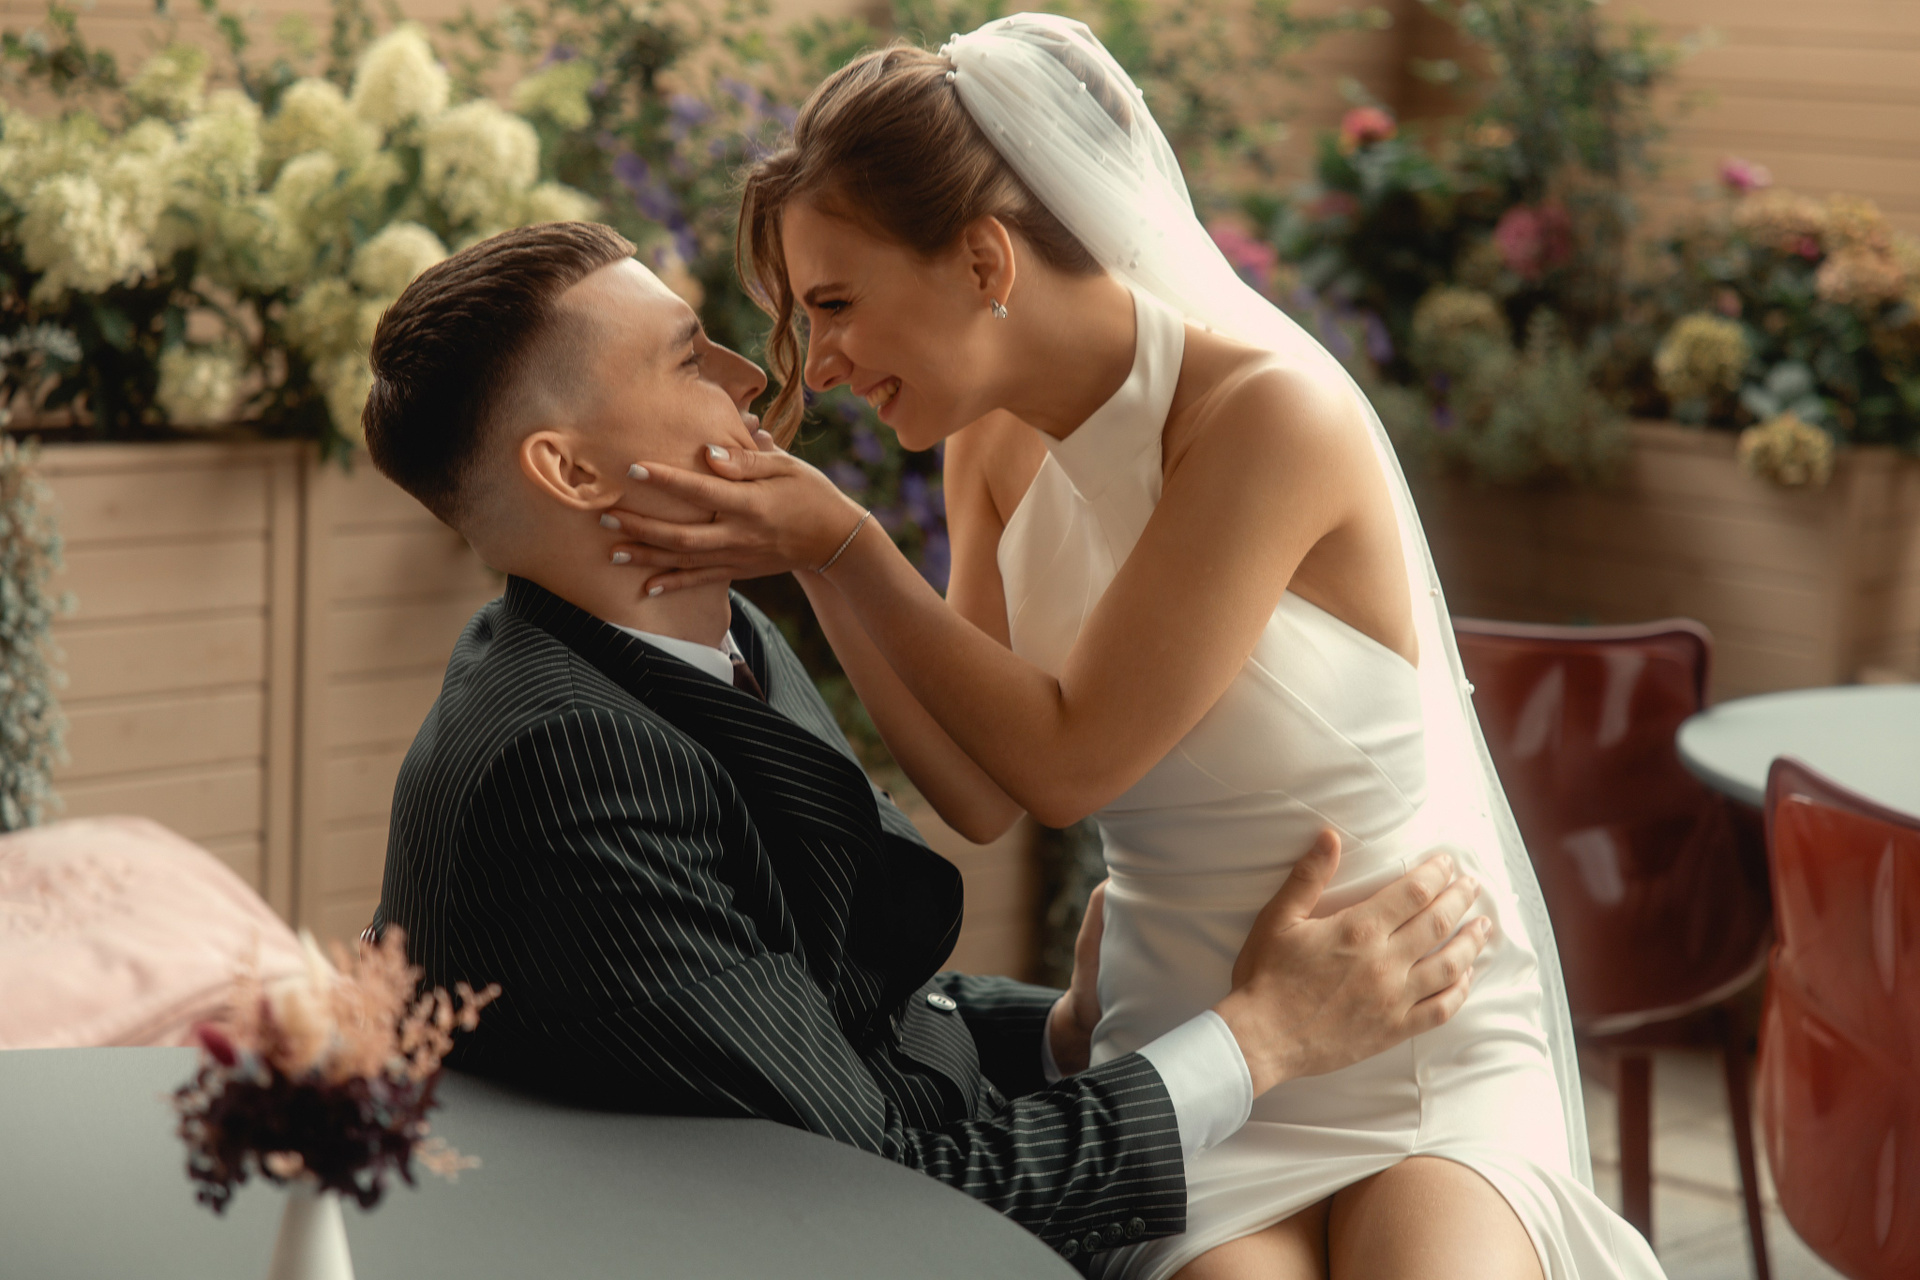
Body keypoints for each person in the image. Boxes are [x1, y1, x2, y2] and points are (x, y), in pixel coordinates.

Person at [602, 17, 1666, 1280]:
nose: (819, 364)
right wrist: (824, 567)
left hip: (1407, 1014)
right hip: (1201, 1041)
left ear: (984, 257)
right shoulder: (989, 444)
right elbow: (983, 789)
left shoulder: (1268, 416)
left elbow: (1072, 760)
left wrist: (843, 543)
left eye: (834, 304)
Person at [362, 219, 1490, 1268]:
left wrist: (1065, 1032)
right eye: (689, 359)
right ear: (569, 471)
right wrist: (1263, 1038)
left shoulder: (711, 634)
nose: (753, 379)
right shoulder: (563, 768)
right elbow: (884, 1191)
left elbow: (835, 1015)